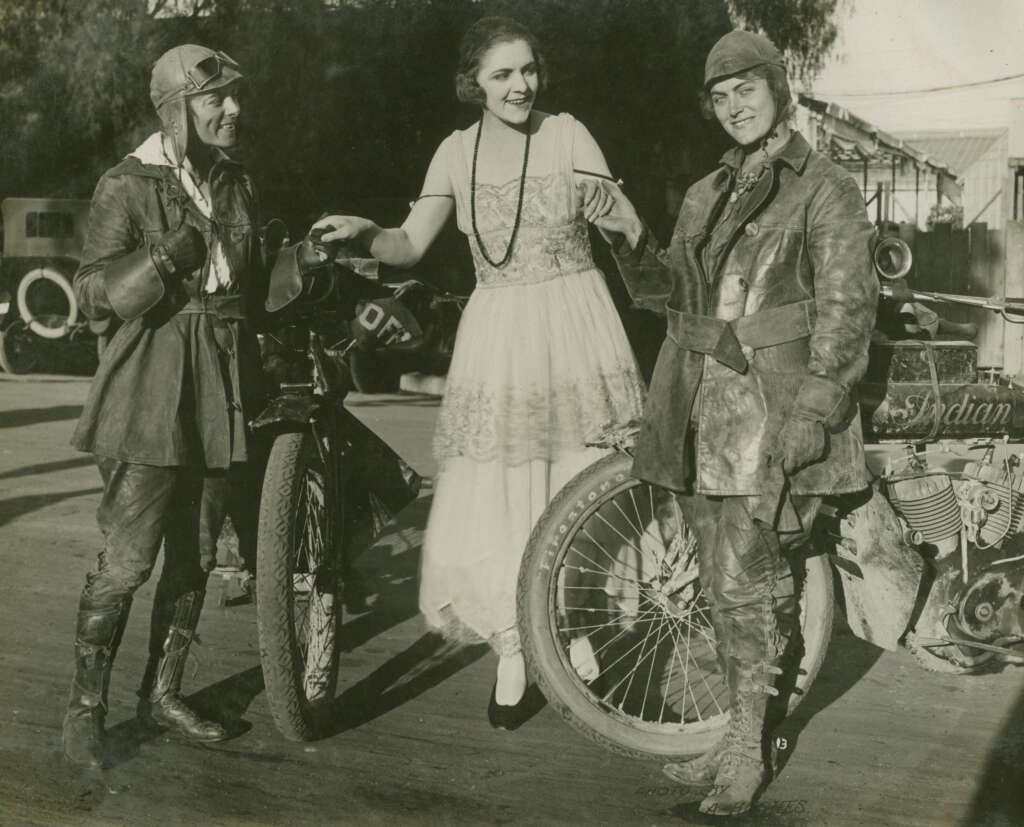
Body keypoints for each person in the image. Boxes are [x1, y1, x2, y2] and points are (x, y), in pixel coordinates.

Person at [315, 16, 645, 729]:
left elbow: (627, 222)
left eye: (527, 70)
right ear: (474, 84)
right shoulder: (454, 153)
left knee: (576, 476)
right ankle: (513, 646)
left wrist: (615, 212)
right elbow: (407, 244)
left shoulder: (568, 134)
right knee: (499, 490)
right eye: (502, 75)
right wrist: (362, 231)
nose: (519, 85)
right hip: (497, 333)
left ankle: (574, 627)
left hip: (575, 322)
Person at [595, 30, 878, 815]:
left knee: (744, 578)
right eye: (719, 98)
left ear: (779, 87)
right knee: (722, 591)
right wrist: (625, 234)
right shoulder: (703, 191)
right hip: (697, 414)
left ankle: (748, 744)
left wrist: (816, 410)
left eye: (746, 89)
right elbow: (670, 295)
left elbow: (850, 310)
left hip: (774, 408)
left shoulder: (825, 186)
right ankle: (731, 737)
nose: (733, 107)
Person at [62, 44, 266, 767]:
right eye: (216, 100)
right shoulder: (127, 182)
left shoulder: (235, 184)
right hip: (147, 391)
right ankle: (86, 711)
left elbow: (254, 288)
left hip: (219, 392)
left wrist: (314, 259)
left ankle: (163, 692)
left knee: (198, 555)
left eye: (235, 98)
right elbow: (89, 292)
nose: (232, 110)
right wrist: (161, 259)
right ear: (178, 106)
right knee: (126, 562)